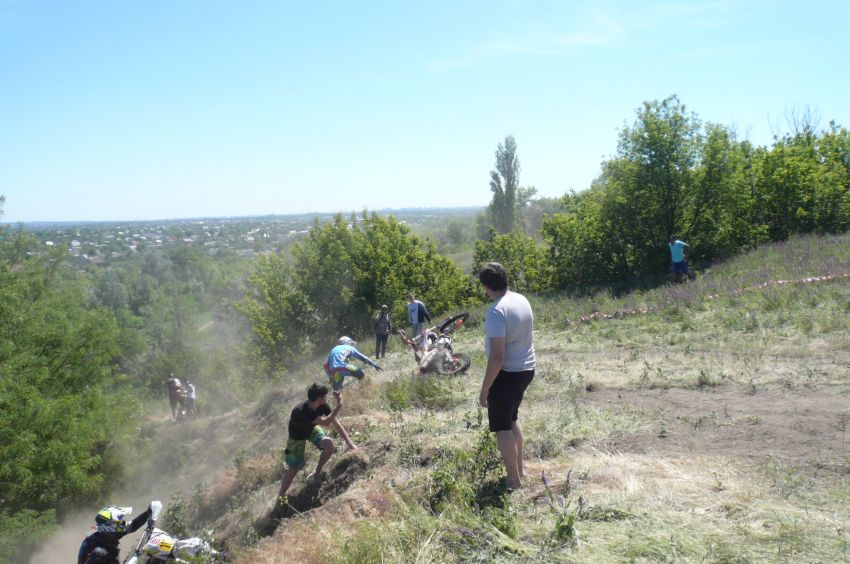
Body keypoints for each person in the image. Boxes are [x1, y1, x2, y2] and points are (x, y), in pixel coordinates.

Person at [477, 262, 536, 491]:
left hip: (508, 374)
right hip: (526, 369)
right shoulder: (521, 299)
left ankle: (513, 480)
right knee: (511, 418)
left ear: (486, 286)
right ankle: (520, 470)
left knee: (502, 428)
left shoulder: (496, 311)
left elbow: (498, 356)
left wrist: (485, 389)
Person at [278, 383, 342, 499]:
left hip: (311, 429)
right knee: (294, 468)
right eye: (324, 396)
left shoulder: (322, 405)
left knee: (328, 445)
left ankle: (317, 471)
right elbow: (327, 422)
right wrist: (339, 405)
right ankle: (280, 497)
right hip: (296, 437)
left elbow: (334, 423)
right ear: (319, 398)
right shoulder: (301, 410)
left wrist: (350, 443)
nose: (326, 397)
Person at [78, 503, 153, 564]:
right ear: (109, 525)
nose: (121, 524)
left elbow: (133, 525)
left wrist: (148, 513)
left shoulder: (104, 533)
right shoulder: (97, 553)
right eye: (118, 522)